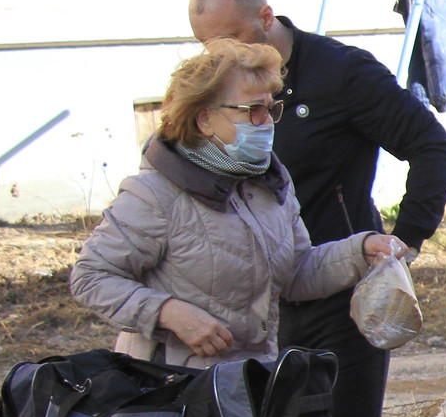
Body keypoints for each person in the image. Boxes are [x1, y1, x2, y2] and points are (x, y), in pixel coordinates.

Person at [188, 0, 446, 417]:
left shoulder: (341, 73)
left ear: (266, 18)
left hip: (338, 298)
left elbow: (433, 147)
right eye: (206, 46)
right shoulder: (216, 88)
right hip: (252, 301)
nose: (217, 57)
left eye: (229, 40)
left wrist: (406, 240)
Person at [71, 39, 404, 367]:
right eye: (252, 111)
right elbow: (91, 277)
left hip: (247, 383)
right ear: (204, 119)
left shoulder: (270, 181)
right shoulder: (155, 193)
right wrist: (169, 313)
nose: (268, 122)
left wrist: (360, 250)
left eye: (271, 109)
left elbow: (295, 273)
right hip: (168, 393)